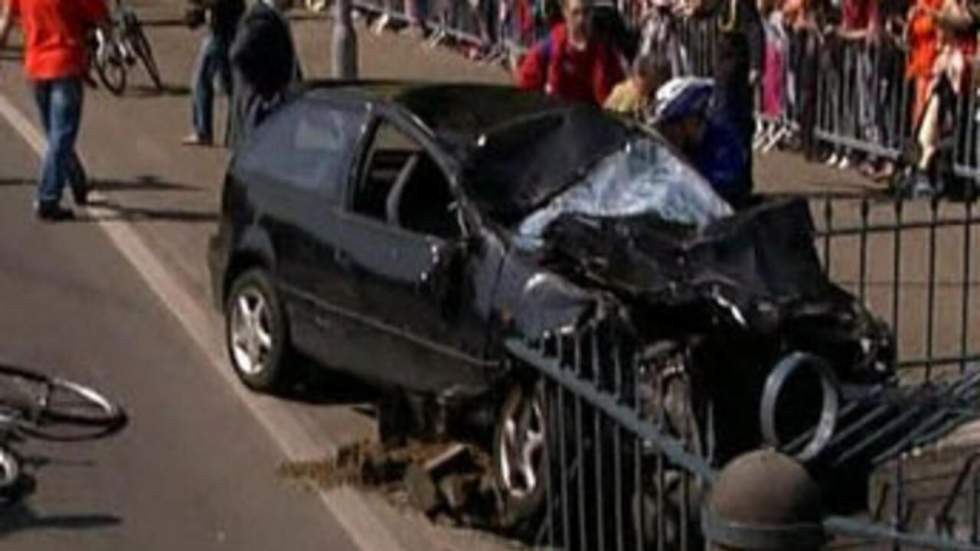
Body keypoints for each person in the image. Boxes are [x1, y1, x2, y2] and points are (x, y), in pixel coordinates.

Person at [0, 0, 108, 220]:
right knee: (61, 135)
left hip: (35, 67)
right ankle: (48, 197)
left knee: (56, 134)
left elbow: (6, 21)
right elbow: (100, 17)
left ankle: (77, 181)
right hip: (66, 63)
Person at [652, 77, 753, 206]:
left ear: (692, 119)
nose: (667, 133)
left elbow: (716, 191)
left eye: (671, 124)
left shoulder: (723, 147)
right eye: (663, 127)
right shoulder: (661, 150)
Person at [515, 0, 626, 106]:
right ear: (565, 13)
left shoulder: (606, 53)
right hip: (559, 119)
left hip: (594, 121)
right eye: (575, 13)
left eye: (586, 12)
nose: (581, 20)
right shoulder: (547, 49)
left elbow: (618, 95)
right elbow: (525, 94)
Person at [227, 0, 302, 149]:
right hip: (260, 113)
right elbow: (238, 55)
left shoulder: (275, 18)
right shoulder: (260, 20)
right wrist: (263, 94)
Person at [182, 0, 246, 146]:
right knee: (230, 84)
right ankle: (235, 131)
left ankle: (203, 130)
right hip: (230, 27)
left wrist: (200, 7)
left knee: (201, 80)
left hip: (220, 32)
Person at [604, 53, 670, 119]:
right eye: (649, 84)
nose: (653, 86)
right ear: (638, 76)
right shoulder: (621, 91)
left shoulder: (651, 95)